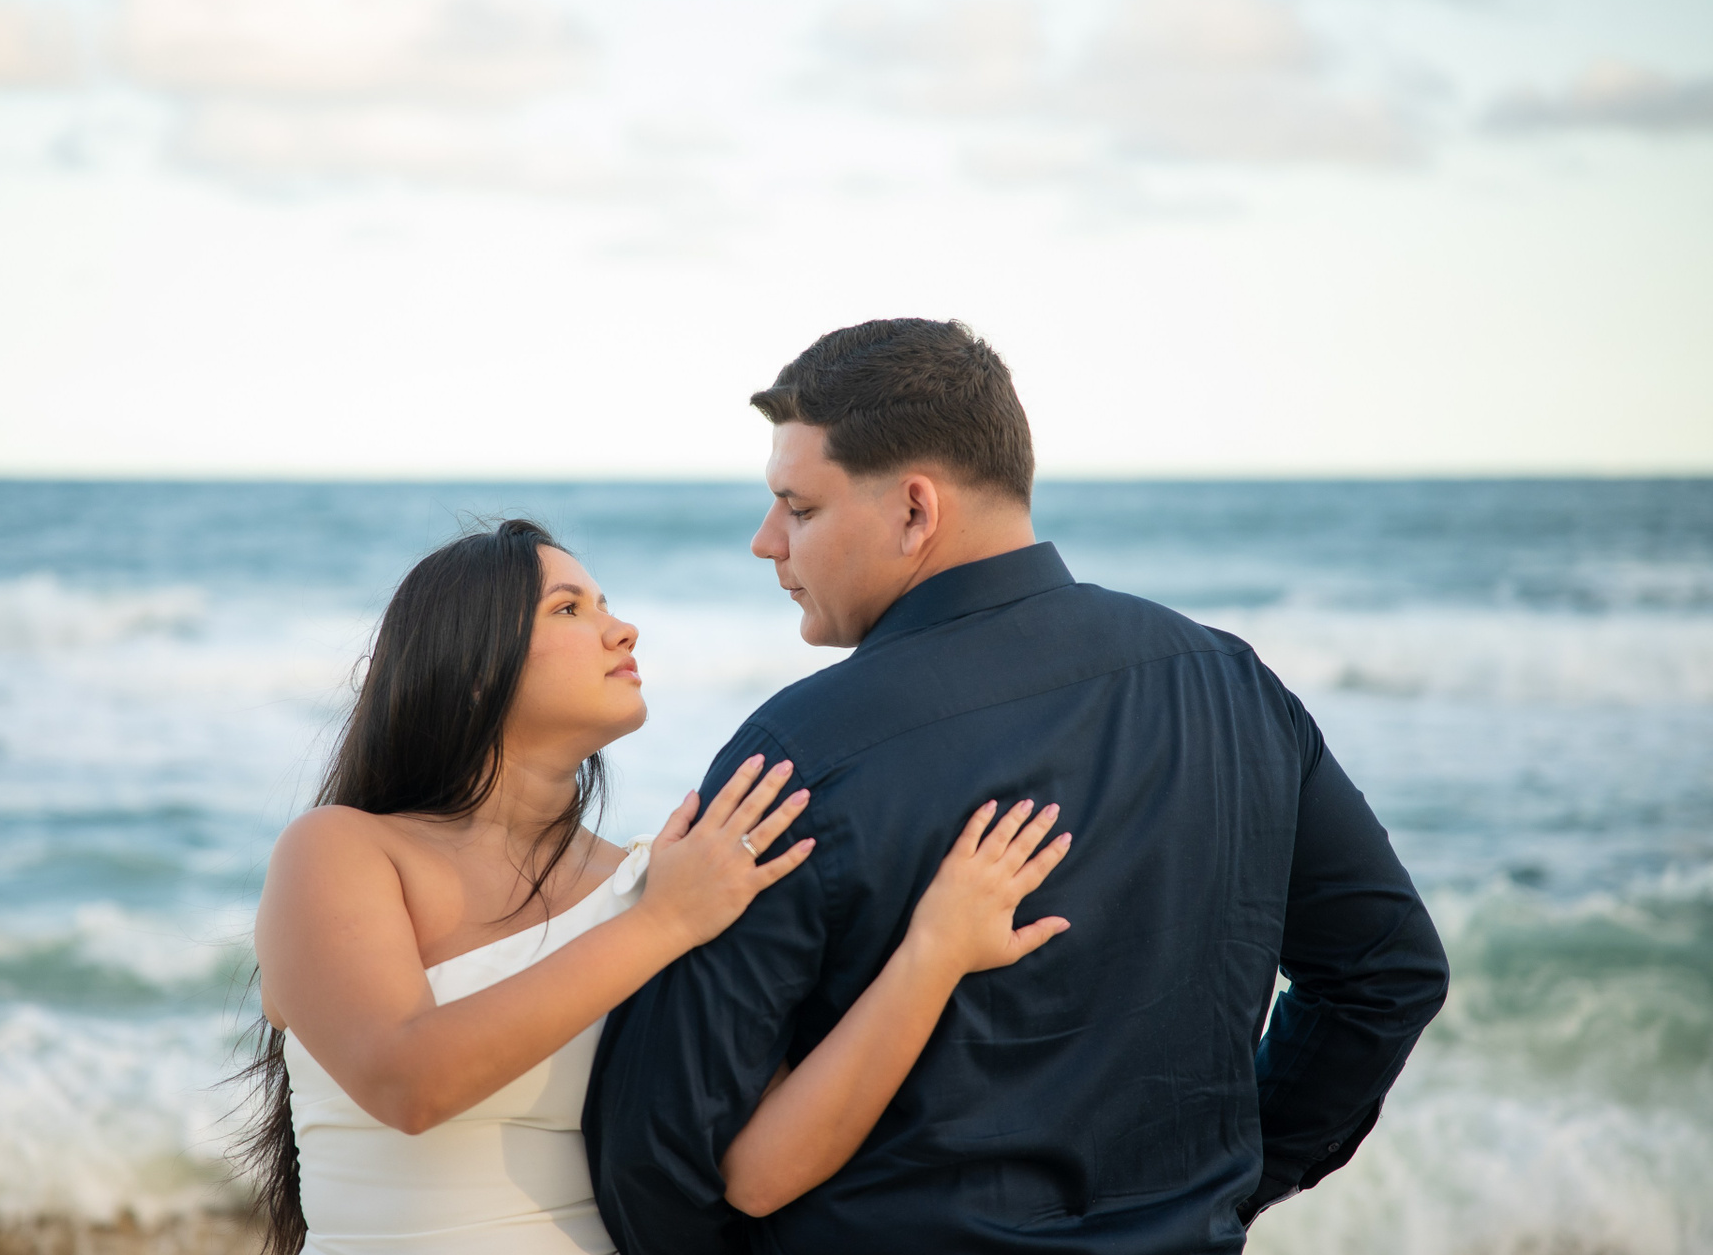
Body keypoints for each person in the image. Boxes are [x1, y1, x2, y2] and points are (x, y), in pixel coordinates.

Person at [586, 319, 1452, 1254]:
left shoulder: (798, 756)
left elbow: (659, 1150)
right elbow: (1386, 973)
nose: (766, 543)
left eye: (798, 508)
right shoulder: (1231, 684)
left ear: (914, 510)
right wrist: (1225, 1189)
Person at [235, 518, 1076, 1255]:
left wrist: (931, 954)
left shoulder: (663, 879)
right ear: (473, 666)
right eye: (570, 610)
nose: (623, 629)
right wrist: (662, 924)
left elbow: (759, 1171)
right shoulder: (339, 851)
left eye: (605, 604)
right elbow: (405, 1082)